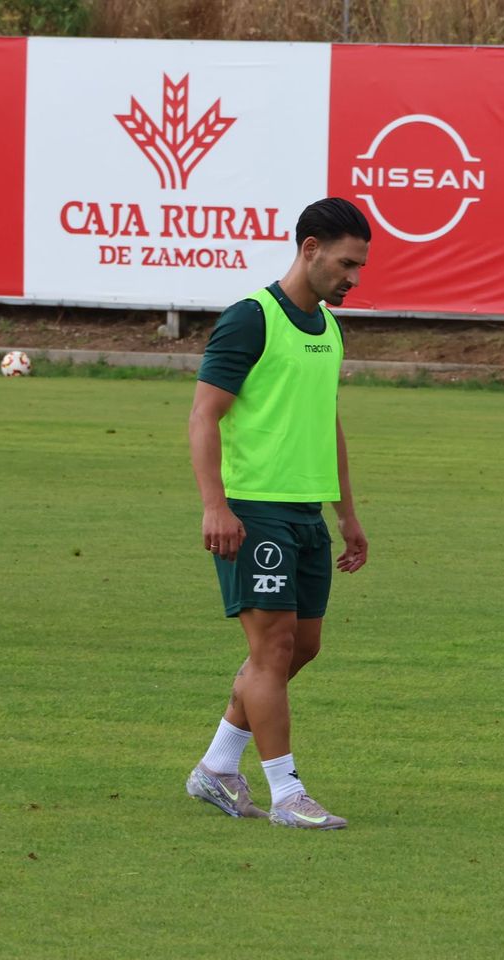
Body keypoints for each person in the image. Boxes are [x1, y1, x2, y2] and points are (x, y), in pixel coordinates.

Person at [185, 197, 371, 831]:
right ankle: (287, 793)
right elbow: (203, 413)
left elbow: (328, 424)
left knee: (302, 648)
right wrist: (216, 505)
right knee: (273, 649)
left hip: (304, 513)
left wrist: (346, 513)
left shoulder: (329, 327)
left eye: (360, 267)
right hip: (253, 509)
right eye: (346, 264)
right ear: (310, 249)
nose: (354, 278)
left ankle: (216, 767)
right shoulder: (251, 319)